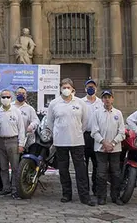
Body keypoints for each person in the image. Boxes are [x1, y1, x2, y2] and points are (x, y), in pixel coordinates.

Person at [48, 78, 94, 206]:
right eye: (64, 87)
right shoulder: (54, 103)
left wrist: (77, 131)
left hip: (77, 141)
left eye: (68, 87)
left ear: (73, 89)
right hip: (60, 142)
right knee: (63, 169)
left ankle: (84, 196)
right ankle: (66, 194)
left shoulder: (80, 103)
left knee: (81, 170)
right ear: (60, 89)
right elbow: (50, 122)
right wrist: (57, 133)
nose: (66, 89)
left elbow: (85, 122)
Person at [90, 89, 125, 205]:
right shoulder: (96, 113)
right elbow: (94, 132)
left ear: (112, 99)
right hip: (100, 149)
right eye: (105, 97)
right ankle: (101, 197)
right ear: (102, 100)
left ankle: (115, 196)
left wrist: (113, 143)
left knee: (115, 173)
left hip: (115, 149)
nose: (107, 99)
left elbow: (122, 132)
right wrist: (104, 143)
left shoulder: (118, 113)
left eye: (109, 97)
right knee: (101, 173)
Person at [0, 89, 26, 200]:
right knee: (3, 167)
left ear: (11, 98)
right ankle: (6, 188)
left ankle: (15, 189)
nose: (5, 99)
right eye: (3, 97)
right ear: (0, 99)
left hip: (13, 141)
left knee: (15, 167)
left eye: (8, 97)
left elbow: (21, 129)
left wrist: (21, 144)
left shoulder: (16, 111)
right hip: (0, 141)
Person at [82, 79, 104, 196]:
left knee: (97, 164)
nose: (91, 88)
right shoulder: (80, 102)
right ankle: (84, 189)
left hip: (97, 137)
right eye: (89, 86)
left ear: (96, 89)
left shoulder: (101, 103)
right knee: (83, 164)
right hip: (84, 136)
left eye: (93, 86)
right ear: (85, 88)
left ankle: (96, 188)